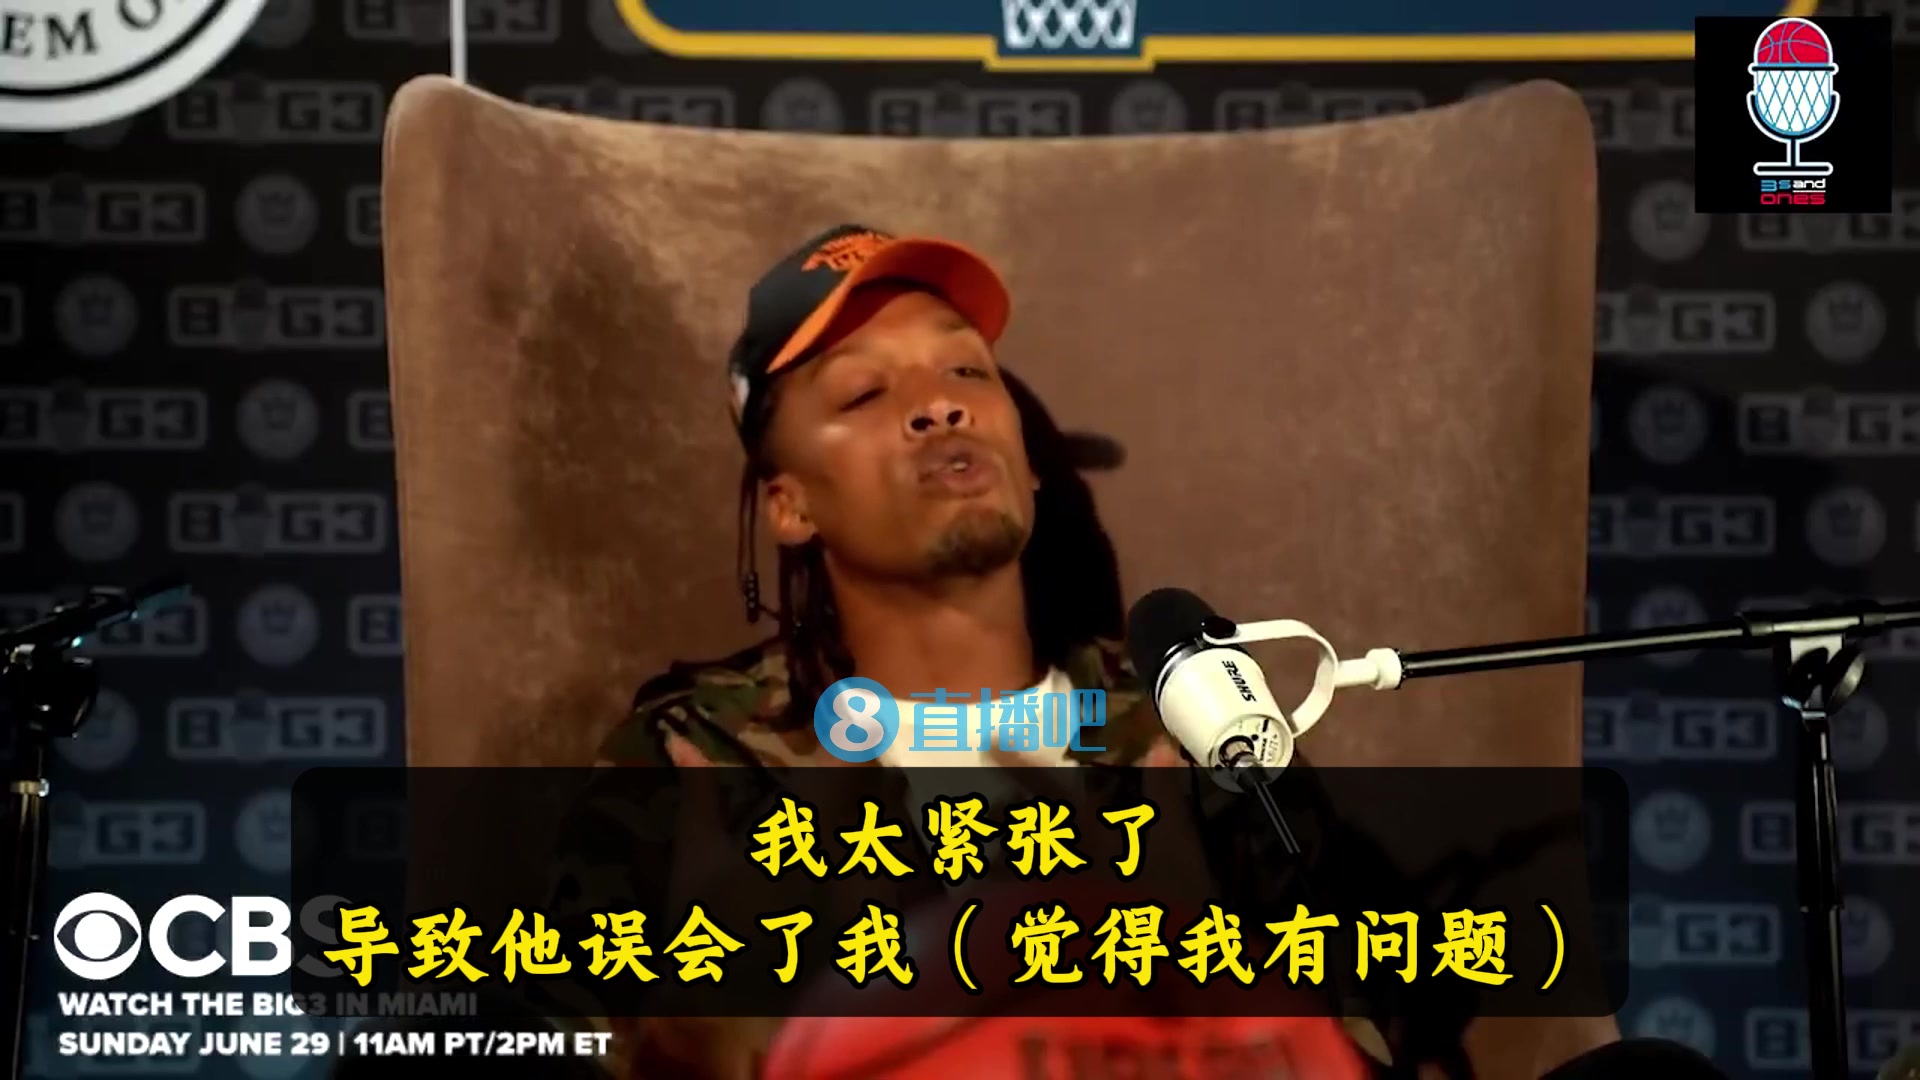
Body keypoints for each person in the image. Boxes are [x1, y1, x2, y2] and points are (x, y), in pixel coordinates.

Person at [541, 225, 1392, 1079]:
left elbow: (1363, 1038)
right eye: (864, 392)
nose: (939, 406)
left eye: (967, 372)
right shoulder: (698, 764)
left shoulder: (1195, 725)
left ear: (1028, 464)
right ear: (790, 506)